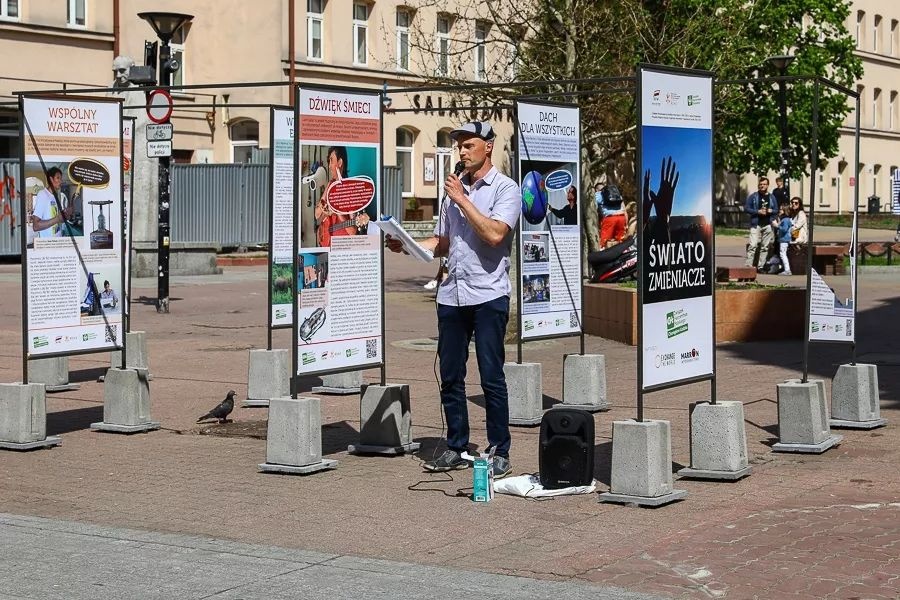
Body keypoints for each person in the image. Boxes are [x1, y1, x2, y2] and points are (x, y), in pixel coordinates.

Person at [385, 120, 520, 479]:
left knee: (491, 375)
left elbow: (494, 235)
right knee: (450, 374)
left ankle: (499, 449)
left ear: (487, 146)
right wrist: (408, 246)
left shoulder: (506, 189)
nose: (461, 151)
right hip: (452, 293)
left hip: (488, 293)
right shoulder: (451, 193)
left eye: (468, 145)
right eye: (457, 145)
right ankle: (457, 445)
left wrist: (462, 198)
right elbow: (442, 243)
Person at [315, 146, 370, 247]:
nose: (329, 166)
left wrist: (337, 212)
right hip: (328, 244)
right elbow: (317, 214)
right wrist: (325, 206)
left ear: (339, 162)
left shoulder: (351, 190)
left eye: (331, 161)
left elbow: (353, 232)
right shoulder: (330, 185)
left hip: (341, 248)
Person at [743, 176, 777, 272]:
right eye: (761, 184)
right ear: (758, 185)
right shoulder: (753, 196)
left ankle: (760, 266)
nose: (762, 186)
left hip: (768, 224)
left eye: (764, 184)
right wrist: (757, 211)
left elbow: (776, 210)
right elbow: (746, 208)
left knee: (765, 247)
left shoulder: (771, 197)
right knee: (753, 245)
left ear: (767, 185)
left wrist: (771, 211)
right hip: (756, 224)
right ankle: (749, 266)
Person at [31, 167, 72, 238]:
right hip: (48, 244)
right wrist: (57, 219)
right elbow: (36, 226)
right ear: (51, 179)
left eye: (61, 178)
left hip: (57, 239)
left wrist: (65, 216)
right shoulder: (43, 194)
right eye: (58, 178)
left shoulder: (55, 196)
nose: (61, 181)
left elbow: (56, 220)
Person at [598, 183, 626, 247]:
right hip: (621, 217)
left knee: (604, 242)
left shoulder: (598, 194)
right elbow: (624, 209)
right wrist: (626, 222)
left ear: (597, 189)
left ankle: (604, 256)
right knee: (620, 240)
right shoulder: (616, 194)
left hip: (610, 218)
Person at [773, 203, 793, 275]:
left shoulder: (785, 220)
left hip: (784, 239)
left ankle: (787, 270)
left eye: (781, 209)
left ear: (785, 210)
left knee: (783, 254)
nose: (779, 210)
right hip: (783, 239)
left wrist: (777, 226)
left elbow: (784, 229)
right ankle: (785, 268)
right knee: (783, 254)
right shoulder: (785, 219)